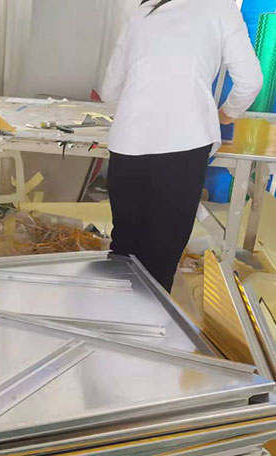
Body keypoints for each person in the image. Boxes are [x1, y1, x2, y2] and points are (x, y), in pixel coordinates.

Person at [100, 0, 263, 292]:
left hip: (128, 143)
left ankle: (115, 314)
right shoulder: (220, 10)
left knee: (124, 249)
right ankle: (148, 318)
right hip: (184, 143)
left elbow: (109, 90)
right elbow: (250, 82)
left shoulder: (143, 12)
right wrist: (227, 112)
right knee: (160, 257)